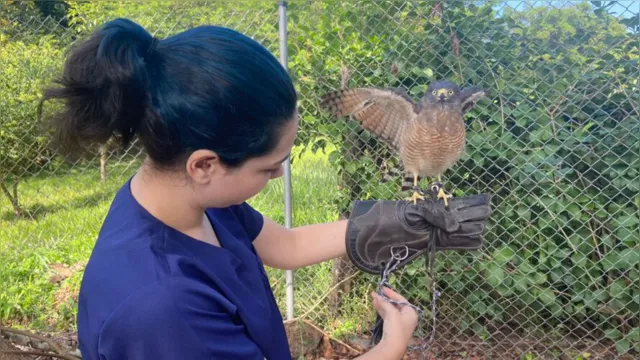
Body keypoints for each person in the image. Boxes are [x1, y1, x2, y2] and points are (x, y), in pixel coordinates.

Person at [38, 18, 492, 360]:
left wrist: (395, 223)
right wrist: (391, 347)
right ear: (205, 164)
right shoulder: (163, 312)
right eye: (271, 166)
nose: (278, 177)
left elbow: (288, 246)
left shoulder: (190, 201)